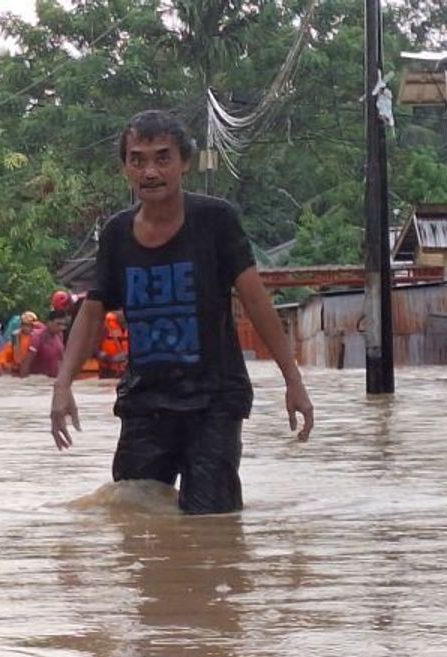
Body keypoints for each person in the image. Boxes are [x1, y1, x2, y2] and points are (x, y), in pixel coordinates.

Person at [49, 109, 314, 515]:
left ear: (184, 163)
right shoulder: (118, 234)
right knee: (133, 516)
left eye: (162, 157)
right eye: (137, 159)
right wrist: (62, 385)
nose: (150, 171)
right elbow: (93, 311)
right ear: (125, 168)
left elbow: (256, 300)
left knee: (212, 523)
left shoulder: (215, 221)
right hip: (146, 400)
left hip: (214, 401)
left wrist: (292, 379)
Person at [20, 309, 69, 378]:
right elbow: (26, 363)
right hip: (38, 381)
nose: (61, 327)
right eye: (58, 324)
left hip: (53, 380)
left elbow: (61, 360)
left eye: (63, 325)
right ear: (49, 322)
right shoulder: (37, 337)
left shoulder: (59, 335)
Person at [0, 311, 40, 376]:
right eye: (24, 324)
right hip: (17, 369)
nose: (26, 327)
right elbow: (3, 357)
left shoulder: (37, 337)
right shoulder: (15, 336)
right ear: (21, 325)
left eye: (28, 325)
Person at [97, 310, 129, 379]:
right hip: (108, 372)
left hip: (130, 372)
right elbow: (93, 349)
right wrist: (110, 358)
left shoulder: (136, 324)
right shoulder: (104, 323)